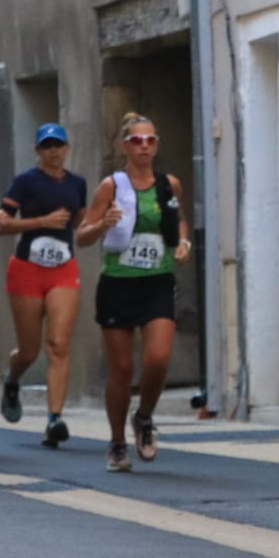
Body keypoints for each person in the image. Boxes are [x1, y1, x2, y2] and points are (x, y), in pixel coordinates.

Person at [79, 113, 191, 474]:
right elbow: (81, 236)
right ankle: (116, 443)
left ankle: (143, 417)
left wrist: (183, 242)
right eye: (136, 141)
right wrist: (103, 224)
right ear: (124, 146)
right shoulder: (111, 186)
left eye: (150, 140)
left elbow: (179, 220)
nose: (144, 146)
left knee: (158, 359)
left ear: (156, 145)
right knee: (123, 369)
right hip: (118, 283)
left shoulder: (169, 184)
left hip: (157, 280)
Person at [0, 123, 89, 449]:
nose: (53, 151)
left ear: (66, 148)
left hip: (63, 268)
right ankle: (12, 378)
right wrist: (41, 222)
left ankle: (54, 420)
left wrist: (103, 223)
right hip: (27, 269)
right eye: (47, 146)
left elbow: (81, 225)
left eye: (58, 145)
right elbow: (3, 225)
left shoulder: (77, 184)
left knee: (58, 344)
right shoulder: (25, 182)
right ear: (38, 151)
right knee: (30, 350)